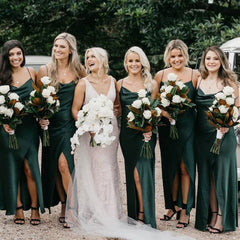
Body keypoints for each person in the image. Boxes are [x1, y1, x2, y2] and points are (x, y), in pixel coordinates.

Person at [37, 32, 86, 227]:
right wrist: (41, 116)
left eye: (62, 47)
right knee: (54, 167)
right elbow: (38, 100)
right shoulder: (45, 70)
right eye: (56, 46)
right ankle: (65, 205)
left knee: (65, 164)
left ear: (71, 50)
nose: (57, 50)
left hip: (68, 125)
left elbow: (87, 94)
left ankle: (74, 210)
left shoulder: (79, 71)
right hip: (49, 126)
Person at [154, 39, 199, 228]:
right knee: (170, 168)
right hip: (167, 127)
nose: (176, 59)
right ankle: (172, 205)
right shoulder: (160, 75)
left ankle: (185, 209)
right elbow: (153, 102)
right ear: (167, 57)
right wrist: (164, 113)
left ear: (185, 56)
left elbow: (201, 100)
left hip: (188, 126)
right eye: (173, 56)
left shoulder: (195, 75)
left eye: (180, 55)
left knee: (185, 167)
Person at [195, 46, 238, 233]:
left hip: (223, 134)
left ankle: (221, 218)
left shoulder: (230, 82)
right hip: (202, 135)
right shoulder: (199, 80)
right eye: (208, 59)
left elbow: (238, 108)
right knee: (207, 176)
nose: (211, 62)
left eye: (215, 59)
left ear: (221, 61)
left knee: (222, 176)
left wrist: (228, 123)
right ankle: (211, 214)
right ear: (204, 61)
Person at [0, 40, 44, 225]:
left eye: (18, 53)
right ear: (6, 57)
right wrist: (3, 123)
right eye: (11, 54)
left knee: (30, 168)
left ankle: (35, 208)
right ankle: (18, 208)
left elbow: (41, 99)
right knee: (13, 169)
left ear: (23, 55)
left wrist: (43, 114)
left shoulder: (31, 73)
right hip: (8, 128)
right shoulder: (2, 76)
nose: (15, 57)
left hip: (29, 128)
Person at [117, 46, 158, 228]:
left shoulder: (152, 84)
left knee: (143, 174)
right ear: (125, 63)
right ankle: (136, 213)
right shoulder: (120, 84)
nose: (134, 64)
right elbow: (117, 109)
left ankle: (144, 214)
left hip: (146, 134)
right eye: (130, 60)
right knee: (133, 173)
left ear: (143, 63)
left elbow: (154, 110)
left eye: (137, 60)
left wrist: (150, 128)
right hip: (127, 135)